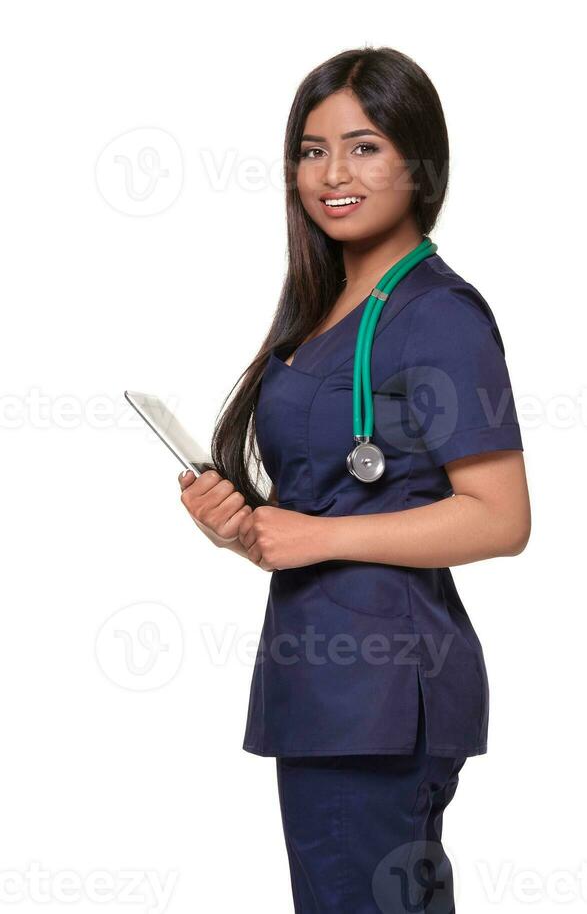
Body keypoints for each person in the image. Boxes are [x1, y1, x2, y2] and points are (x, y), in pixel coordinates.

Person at [178, 45, 531, 913]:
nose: (332, 172)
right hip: (322, 681)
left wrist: (320, 537)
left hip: (381, 690)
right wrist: (243, 529)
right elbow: (329, 500)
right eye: (311, 149)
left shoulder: (440, 317)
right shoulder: (325, 305)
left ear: (420, 161)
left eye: (364, 146)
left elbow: (501, 518)